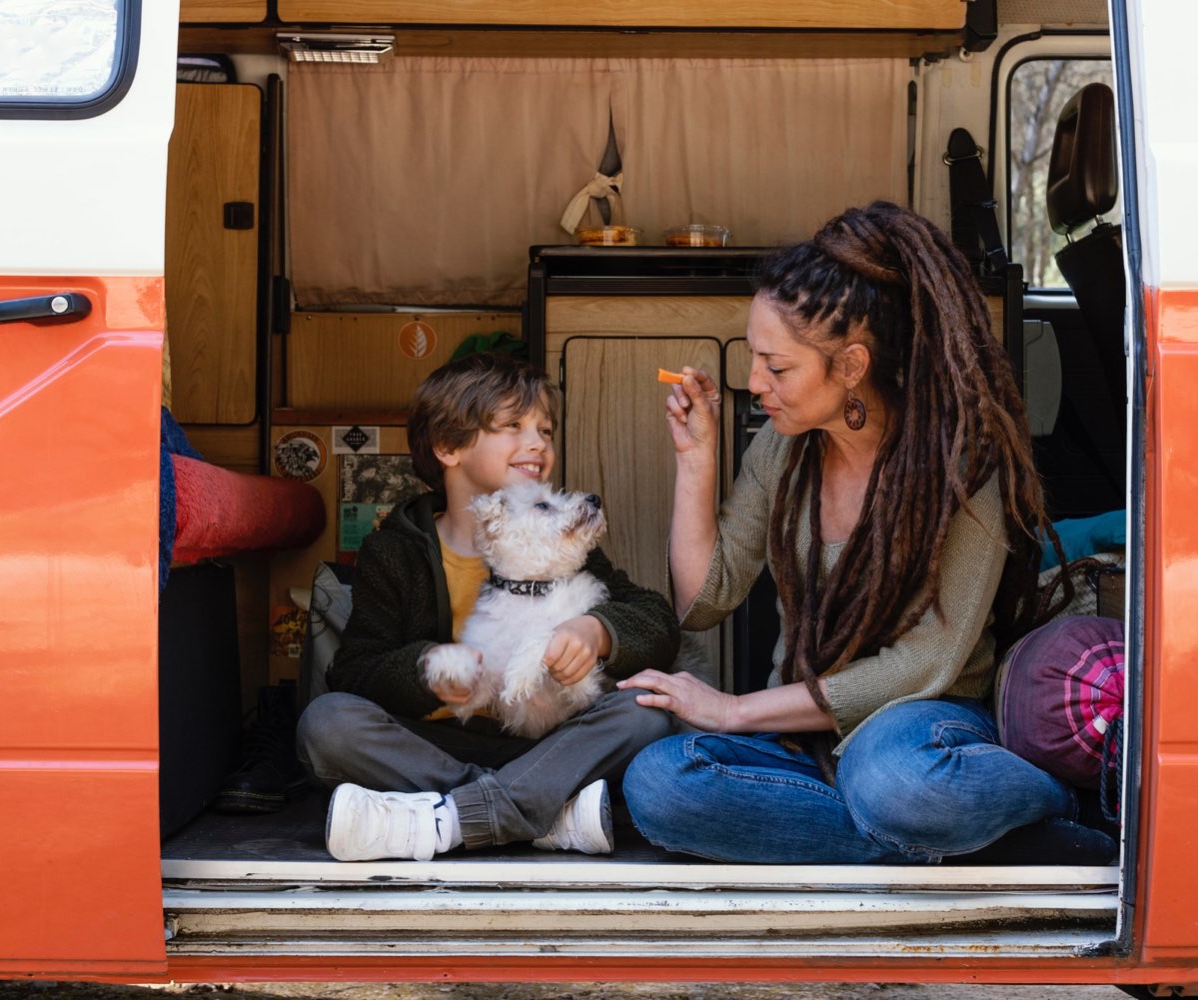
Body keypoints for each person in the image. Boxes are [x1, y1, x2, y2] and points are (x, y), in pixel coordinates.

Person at [618, 201, 1116, 865]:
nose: (753, 382)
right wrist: (695, 460)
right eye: (752, 359)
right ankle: (944, 843)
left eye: (778, 366)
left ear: (851, 365)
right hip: (807, 736)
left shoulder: (961, 464)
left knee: (897, 785)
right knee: (657, 784)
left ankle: (1058, 804)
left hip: (921, 726)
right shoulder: (781, 449)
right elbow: (704, 599)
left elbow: (928, 663)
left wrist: (735, 711)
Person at [298, 351, 679, 862]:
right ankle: (540, 812)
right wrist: (426, 672)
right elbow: (355, 674)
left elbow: (656, 619)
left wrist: (599, 630)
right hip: (437, 748)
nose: (538, 443)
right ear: (448, 447)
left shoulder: (559, 541)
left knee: (644, 711)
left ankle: (452, 818)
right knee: (326, 722)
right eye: (513, 426)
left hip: (554, 744)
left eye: (545, 429)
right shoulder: (394, 551)